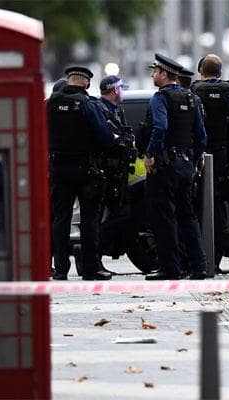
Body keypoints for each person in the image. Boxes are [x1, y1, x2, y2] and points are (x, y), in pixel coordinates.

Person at [142, 53, 208, 280]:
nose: (152, 75)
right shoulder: (191, 98)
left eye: (155, 71)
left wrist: (150, 154)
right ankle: (199, 267)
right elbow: (201, 135)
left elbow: (159, 127)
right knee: (188, 217)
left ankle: (171, 268)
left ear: (163, 74)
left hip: (165, 166)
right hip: (186, 165)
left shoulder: (160, 98)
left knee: (164, 218)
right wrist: (195, 159)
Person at [47, 66, 114, 281]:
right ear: (85, 83)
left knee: (61, 219)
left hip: (59, 169)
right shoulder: (88, 104)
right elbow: (105, 136)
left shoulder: (50, 104)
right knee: (89, 221)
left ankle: (60, 269)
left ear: (68, 81)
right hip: (87, 169)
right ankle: (90, 269)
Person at [190, 54, 229, 272]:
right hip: (226, 158)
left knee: (201, 208)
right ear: (220, 72)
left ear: (201, 71)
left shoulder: (194, 91)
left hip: (201, 157)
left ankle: (208, 258)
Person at [94, 75, 134, 276]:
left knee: (119, 214)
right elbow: (106, 140)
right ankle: (94, 254)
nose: (123, 92)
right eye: (121, 89)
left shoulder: (117, 110)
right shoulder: (100, 110)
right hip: (107, 172)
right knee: (113, 215)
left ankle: (95, 256)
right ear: (114, 90)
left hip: (118, 171)